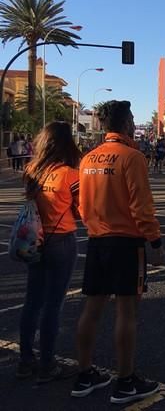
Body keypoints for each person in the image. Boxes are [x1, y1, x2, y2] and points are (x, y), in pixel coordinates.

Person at [72, 100, 164, 404]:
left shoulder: (88, 159)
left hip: (97, 240)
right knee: (127, 312)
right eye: (133, 119)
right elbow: (142, 206)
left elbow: (82, 206)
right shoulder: (132, 157)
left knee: (92, 309)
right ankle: (125, 382)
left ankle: (83, 375)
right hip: (126, 243)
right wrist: (155, 241)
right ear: (125, 125)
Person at [17, 122, 81, 383]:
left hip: (35, 239)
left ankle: (25, 360)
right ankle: (47, 364)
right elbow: (80, 210)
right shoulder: (69, 175)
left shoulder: (31, 170)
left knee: (32, 301)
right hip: (61, 240)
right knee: (53, 304)